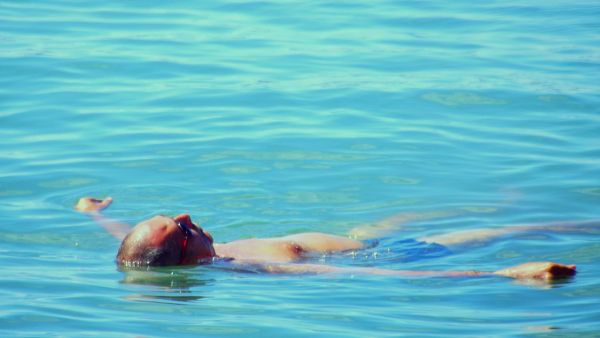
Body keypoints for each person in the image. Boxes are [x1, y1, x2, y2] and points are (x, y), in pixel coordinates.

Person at [74, 196, 584, 281]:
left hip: (362, 238)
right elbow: (339, 273)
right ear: (184, 254)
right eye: (181, 226)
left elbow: (131, 240)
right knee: (509, 231)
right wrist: (500, 272)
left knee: (413, 211)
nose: (187, 216)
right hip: (399, 256)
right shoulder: (246, 269)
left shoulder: (170, 251)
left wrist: (92, 213)